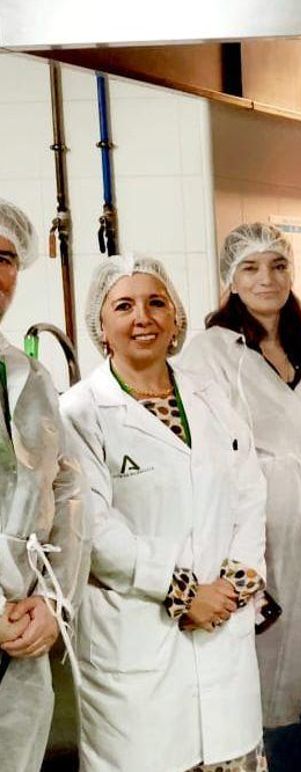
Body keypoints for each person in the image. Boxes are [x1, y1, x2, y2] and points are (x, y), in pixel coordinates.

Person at [179, 223, 301, 771]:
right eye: (250, 268)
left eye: (277, 266)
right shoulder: (209, 354)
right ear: (230, 279)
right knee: (265, 683)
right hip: (252, 542)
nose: (266, 279)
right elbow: (203, 460)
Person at [62, 255, 268, 771]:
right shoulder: (81, 412)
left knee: (230, 757)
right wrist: (182, 592)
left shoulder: (211, 394)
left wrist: (236, 578)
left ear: (175, 317)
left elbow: (249, 488)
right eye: (124, 306)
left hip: (223, 626)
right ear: (101, 325)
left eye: (156, 303)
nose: (143, 318)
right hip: (137, 637)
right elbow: (95, 527)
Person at [0, 201, 85, 772]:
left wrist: (55, 603)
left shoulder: (29, 377)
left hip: (21, 641)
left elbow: (68, 493)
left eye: (4, 257)